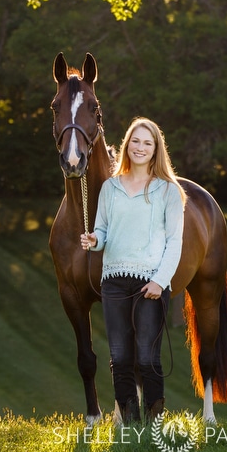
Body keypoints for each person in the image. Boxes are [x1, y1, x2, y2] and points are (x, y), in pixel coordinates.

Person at [80, 117, 186, 425]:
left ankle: (154, 424)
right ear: (127, 145)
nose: (140, 147)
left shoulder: (168, 191)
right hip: (113, 282)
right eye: (136, 141)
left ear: (156, 150)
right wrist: (94, 239)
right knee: (120, 358)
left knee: (147, 358)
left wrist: (160, 281)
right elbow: (102, 230)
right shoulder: (110, 188)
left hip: (150, 285)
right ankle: (129, 423)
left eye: (147, 143)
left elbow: (174, 242)